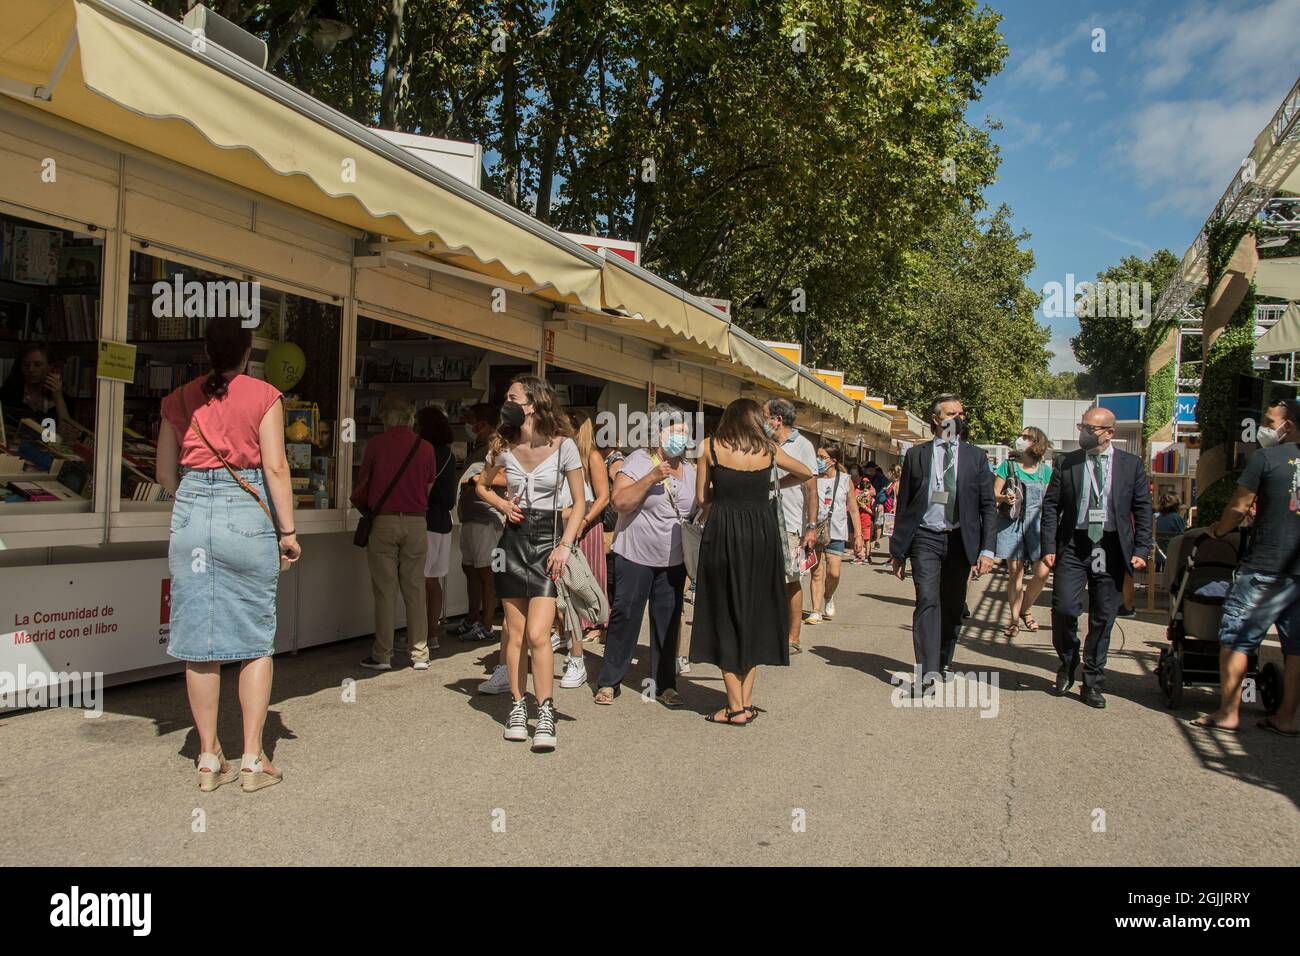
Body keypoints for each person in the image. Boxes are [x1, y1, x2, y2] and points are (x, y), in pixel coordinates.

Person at [155, 317, 300, 792]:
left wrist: (195, 500)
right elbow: (276, 466)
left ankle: (207, 756)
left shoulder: (178, 400)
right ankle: (253, 760)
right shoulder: (265, 396)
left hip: (193, 514)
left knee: (200, 643)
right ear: (249, 350)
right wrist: (288, 532)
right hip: (247, 513)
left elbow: (164, 476)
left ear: (204, 351)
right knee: (255, 638)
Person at [475, 375, 586, 751]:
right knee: (515, 632)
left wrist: (565, 546)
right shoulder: (503, 444)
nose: (506, 402)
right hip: (512, 544)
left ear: (534, 403)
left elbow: (581, 503)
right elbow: (481, 484)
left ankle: (546, 711)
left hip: (548, 541)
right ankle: (518, 706)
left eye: (512, 397)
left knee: (539, 634)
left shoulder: (565, 445)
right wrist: (503, 504)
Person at [691, 398, 814, 725]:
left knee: (724, 612)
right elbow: (805, 472)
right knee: (756, 612)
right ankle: (744, 702)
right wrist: (771, 486)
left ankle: (735, 707)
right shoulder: (769, 450)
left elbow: (702, 499)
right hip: (762, 535)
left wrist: (727, 494)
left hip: (723, 533)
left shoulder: (710, 446)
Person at [1191, 399, 1300, 735]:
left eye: (1270, 421)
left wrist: (1219, 530)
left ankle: (1229, 712)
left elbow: (1239, 507)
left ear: (1290, 424)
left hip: (1266, 566)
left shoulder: (1266, 458)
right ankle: (1287, 717)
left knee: (1237, 637)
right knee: (1296, 646)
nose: (1264, 427)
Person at [1041, 406, 1152, 709]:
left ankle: (1092, 680)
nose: (1084, 433)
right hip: (1075, 546)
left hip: (1111, 546)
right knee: (1064, 608)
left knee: (1103, 616)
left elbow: (1142, 508)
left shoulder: (1131, 465)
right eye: (1082, 426)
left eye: (1090, 428)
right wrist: (1049, 547)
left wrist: (1142, 550)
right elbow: (1051, 508)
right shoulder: (1067, 463)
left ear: (1109, 433)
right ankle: (1067, 661)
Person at [890, 394, 997, 692]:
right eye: (951, 413)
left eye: (961, 413)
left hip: (960, 540)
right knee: (927, 599)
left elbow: (988, 506)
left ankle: (943, 656)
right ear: (936, 419)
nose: (958, 418)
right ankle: (927, 673)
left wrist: (987, 549)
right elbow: (905, 505)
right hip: (926, 537)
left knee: (951, 605)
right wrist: (898, 551)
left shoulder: (975, 457)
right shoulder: (917, 455)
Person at [593, 403, 696, 707]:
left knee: (668, 621)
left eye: (685, 429)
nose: (682, 435)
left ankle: (665, 684)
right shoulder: (639, 460)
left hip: (673, 561)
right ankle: (610, 680)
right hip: (636, 556)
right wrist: (651, 477)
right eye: (676, 429)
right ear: (658, 432)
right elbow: (619, 502)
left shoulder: (690, 468)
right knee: (625, 618)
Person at [355, 395, 438, 672]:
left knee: (385, 590)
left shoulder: (376, 445)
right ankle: (420, 653)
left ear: (386, 419)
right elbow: (428, 487)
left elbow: (364, 483)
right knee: (415, 588)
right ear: (411, 418)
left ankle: (383, 654)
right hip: (416, 522)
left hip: (384, 522)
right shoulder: (425, 448)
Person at [555, 408, 611, 689]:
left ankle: (578, 647)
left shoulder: (591, 456)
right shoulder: (560, 454)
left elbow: (603, 497)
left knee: (579, 586)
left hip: (584, 523)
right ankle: (563, 633)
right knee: (558, 586)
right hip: (563, 520)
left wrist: (584, 521)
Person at [764, 398, 818, 653]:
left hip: (791, 524)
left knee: (790, 579)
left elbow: (811, 488)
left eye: (764, 416)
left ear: (777, 419)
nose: (761, 421)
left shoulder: (803, 445)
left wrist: (811, 526)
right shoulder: (763, 444)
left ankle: (792, 636)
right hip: (762, 520)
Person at [453, 403, 505, 651]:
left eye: (471, 420)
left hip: (488, 519)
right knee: (470, 569)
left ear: (483, 424)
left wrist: (479, 480)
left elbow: (506, 476)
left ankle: (486, 625)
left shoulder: (498, 447)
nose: (468, 425)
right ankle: (472, 618)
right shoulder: (479, 448)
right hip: (470, 516)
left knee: (486, 572)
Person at [994, 426, 1053, 638]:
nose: (1021, 439)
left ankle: (1025, 609)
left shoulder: (1045, 471)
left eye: (1026, 437)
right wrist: (1004, 498)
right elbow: (993, 494)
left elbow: (1049, 503)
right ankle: (1014, 620)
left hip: (1036, 525)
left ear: (1037, 442)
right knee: (1015, 573)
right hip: (1011, 523)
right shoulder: (1007, 466)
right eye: (1021, 435)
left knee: (1043, 571)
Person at [417, 405, 458, 652]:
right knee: (434, 581)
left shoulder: (426, 452)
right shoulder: (450, 455)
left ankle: (421, 634)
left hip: (427, 521)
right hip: (444, 522)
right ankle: (432, 633)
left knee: (421, 581)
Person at [806, 445, 862, 623]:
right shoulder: (813, 478)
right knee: (816, 572)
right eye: (818, 456)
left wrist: (858, 535)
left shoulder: (845, 480)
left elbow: (853, 509)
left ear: (833, 460)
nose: (819, 460)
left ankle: (828, 596)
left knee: (834, 573)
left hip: (837, 530)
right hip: (815, 530)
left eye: (822, 457)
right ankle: (815, 611)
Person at [0, 342, 72, 431]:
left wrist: (58, 398)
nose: (31, 370)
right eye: (26, 365)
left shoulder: (64, 399)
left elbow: (68, 436)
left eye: (37, 365)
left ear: (50, 367)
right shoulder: (7, 394)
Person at [1153, 493, 1186, 572]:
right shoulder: (1177, 518)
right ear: (1177, 505)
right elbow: (1181, 538)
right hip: (1172, 555)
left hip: (1156, 554)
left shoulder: (1155, 517)